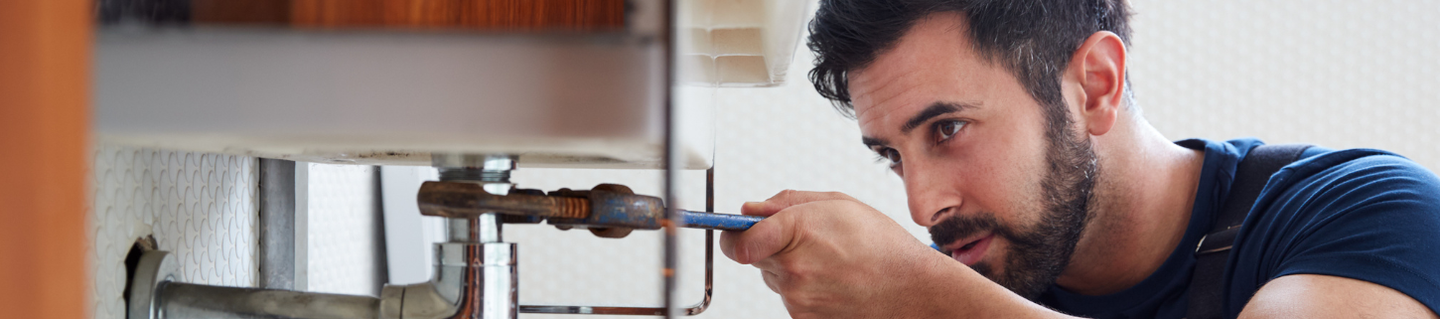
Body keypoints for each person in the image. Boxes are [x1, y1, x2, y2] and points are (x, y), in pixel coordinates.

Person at [717, 0, 1440, 318]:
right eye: (891, 156)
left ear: (1095, 84)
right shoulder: (991, 276)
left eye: (947, 129)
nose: (920, 206)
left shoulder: (1371, 211)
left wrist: (923, 295)